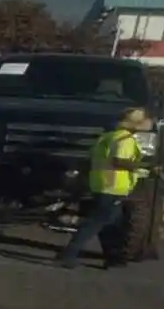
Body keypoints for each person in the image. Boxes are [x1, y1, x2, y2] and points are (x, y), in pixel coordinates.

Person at [55, 107, 151, 269]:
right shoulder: (126, 140)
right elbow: (119, 161)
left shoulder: (106, 138)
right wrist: (145, 167)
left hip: (101, 185)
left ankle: (113, 258)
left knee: (113, 223)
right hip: (114, 187)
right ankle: (69, 253)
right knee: (97, 222)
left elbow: (90, 160)